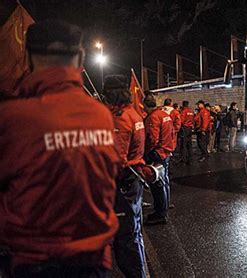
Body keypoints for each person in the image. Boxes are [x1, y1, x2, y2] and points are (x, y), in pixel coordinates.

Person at [0, 20, 120, 277]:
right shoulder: (101, 115)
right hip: (93, 260)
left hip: (35, 261)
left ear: (29, 58)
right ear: (80, 58)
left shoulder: (12, 118)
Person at [102, 75, 146, 278]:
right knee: (133, 232)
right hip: (133, 180)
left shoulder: (119, 118)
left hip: (122, 182)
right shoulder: (133, 114)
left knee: (124, 238)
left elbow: (116, 161)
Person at [145, 95, 174, 225]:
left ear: (146, 106)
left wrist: (146, 152)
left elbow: (153, 139)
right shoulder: (164, 114)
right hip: (166, 151)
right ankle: (164, 206)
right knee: (164, 180)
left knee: (157, 184)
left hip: (158, 153)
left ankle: (160, 213)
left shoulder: (153, 117)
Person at [180, 100, 194, 164]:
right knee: (189, 144)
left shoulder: (183, 111)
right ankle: (190, 159)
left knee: (184, 144)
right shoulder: (191, 111)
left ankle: (183, 159)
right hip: (190, 128)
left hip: (184, 128)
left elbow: (181, 121)